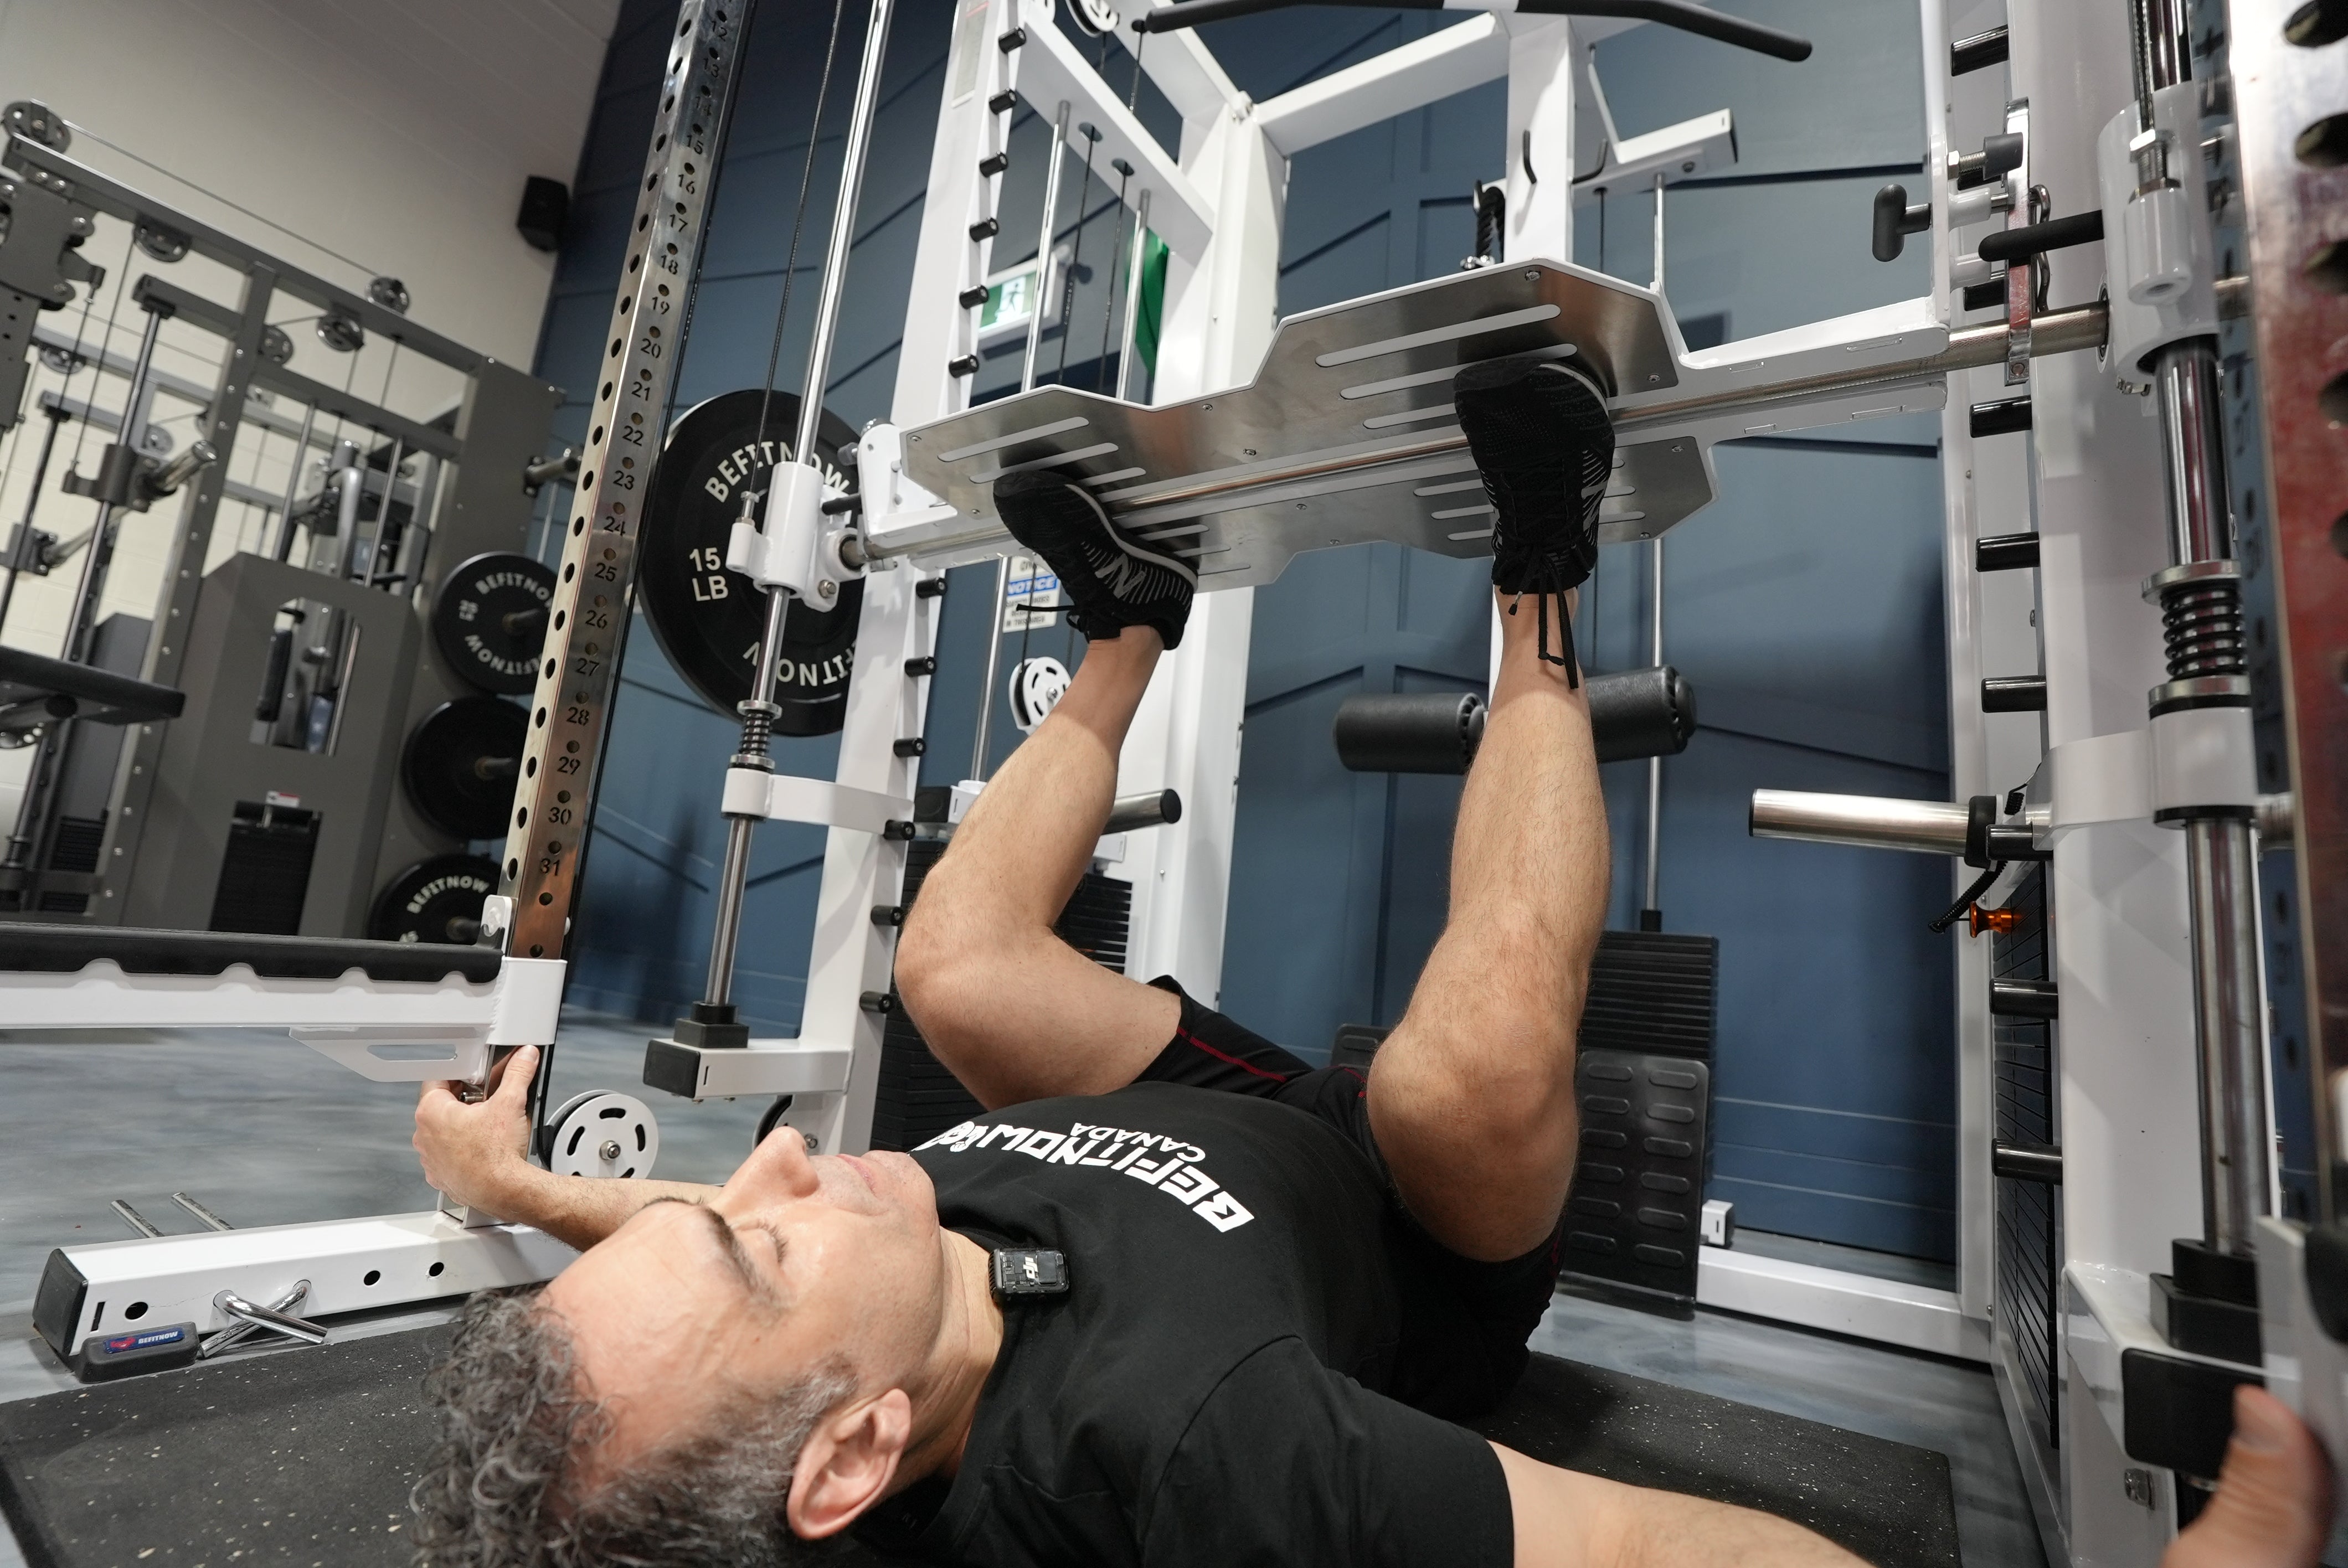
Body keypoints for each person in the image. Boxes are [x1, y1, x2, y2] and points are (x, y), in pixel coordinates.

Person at [407, 359, 2336, 1568]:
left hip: (1172, 1128)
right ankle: (1540, 581)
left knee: (962, 973)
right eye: (759, 1230)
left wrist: (524, 1188)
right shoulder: (1193, 1461)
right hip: (1404, 1215)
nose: (777, 1160)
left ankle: (1128, 622)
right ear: (855, 1455)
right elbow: (1663, 1554)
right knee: (1462, 1059)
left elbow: (706, 1317)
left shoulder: (806, 1375)